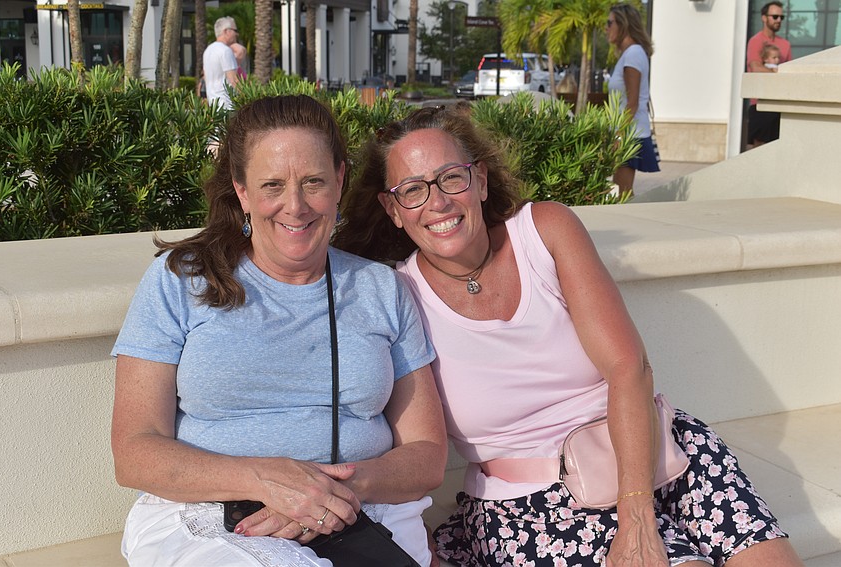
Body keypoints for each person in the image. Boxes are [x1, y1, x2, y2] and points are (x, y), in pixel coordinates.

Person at [331, 103, 805, 567]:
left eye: (451, 177)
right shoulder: (399, 295)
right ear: (392, 209)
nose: (437, 201)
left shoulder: (544, 231)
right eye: (412, 189)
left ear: (480, 179)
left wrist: (636, 510)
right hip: (533, 509)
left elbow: (628, 368)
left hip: (660, 455)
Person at [110, 95, 447, 567]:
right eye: (272, 185)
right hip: (214, 518)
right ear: (242, 190)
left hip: (361, 513)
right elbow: (134, 452)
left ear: (340, 180)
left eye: (313, 182)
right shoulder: (181, 279)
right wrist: (265, 480)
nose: (295, 205)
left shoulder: (381, 289)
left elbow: (427, 453)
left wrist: (326, 490)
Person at [606, 3, 659, 196]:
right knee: (622, 191)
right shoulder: (630, 54)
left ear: (623, 24)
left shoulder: (633, 54)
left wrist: (618, 137)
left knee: (623, 193)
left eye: (609, 22)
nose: (606, 28)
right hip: (627, 132)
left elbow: (633, 102)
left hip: (630, 134)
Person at [746, 1, 792, 148]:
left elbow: (789, 71)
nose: (778, 20)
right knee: (758, 149)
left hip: (779, 105)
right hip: (761, 103)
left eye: (781, 17)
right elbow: (755, 67)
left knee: (777, 149)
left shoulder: (785, 44)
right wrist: (776, 72)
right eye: (775, 16)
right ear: (764, 18)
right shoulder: (755, 41)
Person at [203, 17, 240, 110]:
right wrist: (247, 99)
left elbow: (205, 77)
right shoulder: (225, 50)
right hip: (227, 104)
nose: (236, 34)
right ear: (226, 31)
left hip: (213, 105)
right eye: (235, 30)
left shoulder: (208, 50)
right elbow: (233, 80)